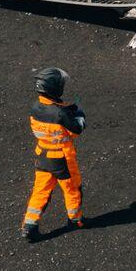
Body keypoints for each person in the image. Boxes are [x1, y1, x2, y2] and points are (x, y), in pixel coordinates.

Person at [21, 66, 87, 241]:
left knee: (40, 191)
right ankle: (75, 220)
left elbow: (54, 114)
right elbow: (77, 129)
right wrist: (79, 114)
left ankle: (29, 225)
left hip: (42, 156)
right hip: (61, 159)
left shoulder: (36, 107)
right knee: (72, 189)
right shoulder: (60, 113)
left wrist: (67, 109)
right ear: (55, 88)